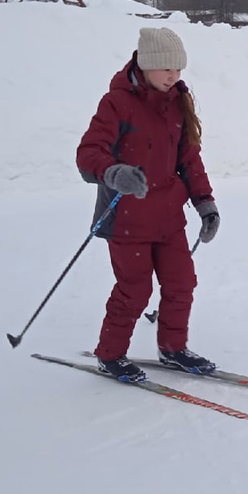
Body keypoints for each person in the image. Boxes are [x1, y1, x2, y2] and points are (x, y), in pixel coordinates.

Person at [76, 26, 220, 383]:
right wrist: (113, 173)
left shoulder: (177, 103)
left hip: (168, 217)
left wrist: (206, 203)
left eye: (179, 69)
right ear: (146, 65)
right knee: (135, 290)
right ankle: (110, 355)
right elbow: (88, 154)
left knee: (181, 282)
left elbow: (189, 159)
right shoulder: (117, 103)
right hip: (126, 219)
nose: (174, 76)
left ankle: (173, 347)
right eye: (167, 68)